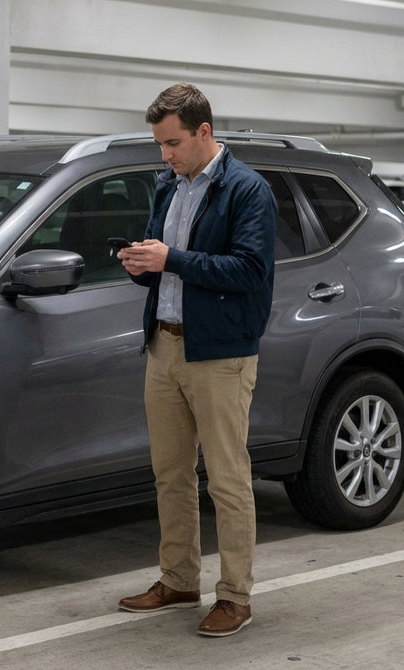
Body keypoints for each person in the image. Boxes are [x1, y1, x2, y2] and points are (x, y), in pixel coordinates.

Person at [115, 83, 277, 637]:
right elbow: (168, 263)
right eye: (160, 144)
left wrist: (173, 258)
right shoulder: (169, 186)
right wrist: (142, 263)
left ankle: (235, 596)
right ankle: (180, 579)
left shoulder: (247, 190)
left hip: (220, 353)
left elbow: (250, 270)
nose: (165, 154)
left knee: (227, 480)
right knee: (170, 474)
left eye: (173, 143)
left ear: (204, 132)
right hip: (164, 344)